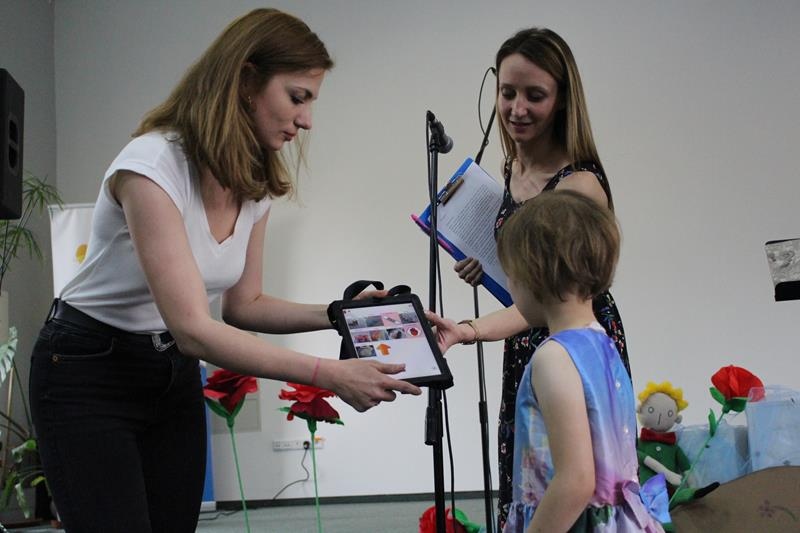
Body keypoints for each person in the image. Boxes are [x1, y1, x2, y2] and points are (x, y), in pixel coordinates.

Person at [28, 9, 420, 533]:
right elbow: (194, 328)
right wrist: (329, 374)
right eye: (297, 97)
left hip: (169, 371)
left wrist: (340, 313)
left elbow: (244, 305)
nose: (307, 120)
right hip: (87, 368)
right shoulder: (151, 167)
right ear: (246, 80)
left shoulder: (252, 184)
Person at [449, 27, 630, 528]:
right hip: (527, 337)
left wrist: (470, 329)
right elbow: (532, 280)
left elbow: (556, 294)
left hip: (562, 337)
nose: (517, 109)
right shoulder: (510, 168)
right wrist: (493, 271)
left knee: (571, 481)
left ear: (563, 99)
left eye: (535, 95)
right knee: (532, 476)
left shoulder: (579, 184)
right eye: (507, 92)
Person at [456, 190, 666, 532]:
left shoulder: (553, 358)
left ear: (532, 276)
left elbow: (576, 481)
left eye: (510, 275)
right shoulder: (602, 343)